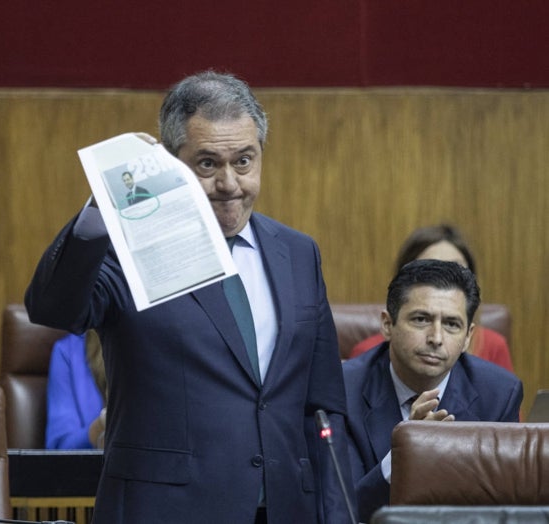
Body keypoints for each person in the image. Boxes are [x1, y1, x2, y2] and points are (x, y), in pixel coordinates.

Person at [25, 71, 356, 524]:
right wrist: (101, 207)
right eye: (207, 164)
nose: (229, 184)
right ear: (169, 163)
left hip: (284, 509)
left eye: (244, 161)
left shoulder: (298, 253)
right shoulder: (129, 251)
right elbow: (53, 308)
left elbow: (323, 408)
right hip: (165, 511)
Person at [343, 259, 522, 522]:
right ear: (387, 324)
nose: (436, 338)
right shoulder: (343, 390)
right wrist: (403, 457)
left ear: (468, 337)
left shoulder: (498, 393)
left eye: (451, 324)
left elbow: (503, 507)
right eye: (421, 319)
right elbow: (341, 509)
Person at [349, 223, 514, 372]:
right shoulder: (366, 355)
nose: (436, 338)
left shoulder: (494, 349)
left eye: (456, 270)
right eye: (420, 319)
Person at [45, 331, 107, 449]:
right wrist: (102, 425)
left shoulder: (148, 342)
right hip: (94, 465)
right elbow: (60, 449)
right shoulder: (68, 351)